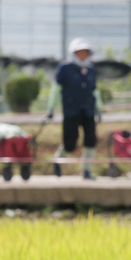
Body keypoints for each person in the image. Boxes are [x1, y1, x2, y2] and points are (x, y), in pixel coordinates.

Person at [47, 37, 98, 180]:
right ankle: (57, 160)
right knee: (70, 143)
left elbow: (94, 90)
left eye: (85, 52)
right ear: (74, 53)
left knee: (91, 141)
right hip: (71, 110)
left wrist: (98, 109)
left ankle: (86, 171)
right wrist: (50, 108)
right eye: (79, 52)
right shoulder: (65, 68)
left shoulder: (90, 69)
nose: (82, 55)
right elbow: (56, 89)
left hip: (88, 110)